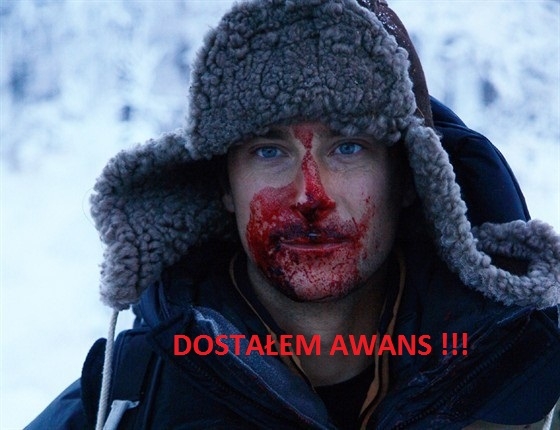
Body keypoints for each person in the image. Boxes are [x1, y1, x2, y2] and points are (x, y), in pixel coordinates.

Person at [28, 0, 560, 429]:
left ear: (408, 178)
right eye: (269, 151)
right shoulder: (126, 404)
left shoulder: (533, 382)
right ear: (224, 185)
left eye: (348, 147)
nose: (311, 194)